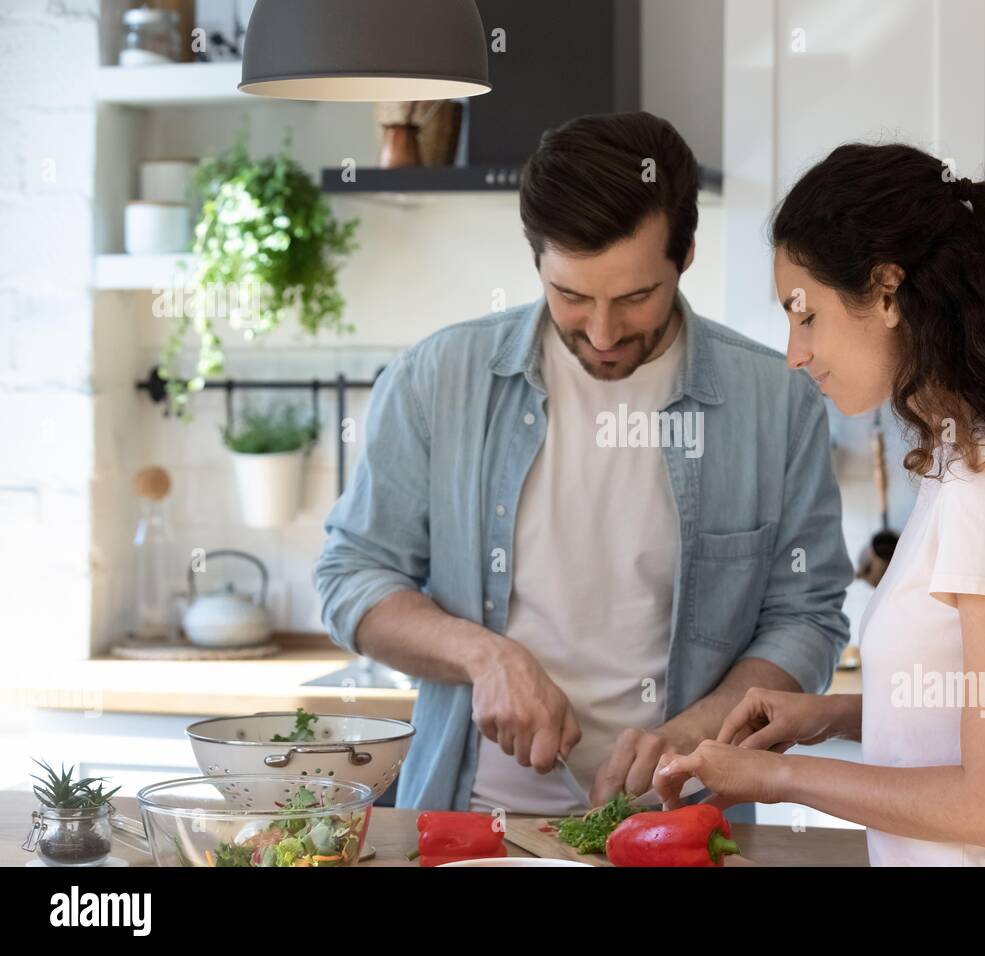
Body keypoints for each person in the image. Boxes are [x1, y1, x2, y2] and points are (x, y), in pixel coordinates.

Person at [314, 112, 853, 814]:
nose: (602, 333)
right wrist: (486, 657)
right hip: (471, 819)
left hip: (677, 824)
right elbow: (350, 575)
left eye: (636, 297)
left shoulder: (775, 401)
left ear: (685, 254)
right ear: (535, 259)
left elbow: (806, 615)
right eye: (571, 296)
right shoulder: (439, 377)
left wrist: (697, 729)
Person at [654, 143, 985, 866]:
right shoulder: (970, 462)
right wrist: (829, 716)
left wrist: (777, 776)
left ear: (885, 292)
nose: (793, 353)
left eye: (805, 316)